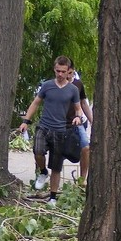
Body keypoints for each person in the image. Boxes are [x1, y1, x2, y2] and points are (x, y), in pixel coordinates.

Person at [18, 56, 84, 205]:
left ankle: (53, 197)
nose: (60, 74)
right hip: (44, 126)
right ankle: (42, 172)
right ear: (54, 70)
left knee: (56, 166)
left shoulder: (73, 90)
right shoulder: (47, 85)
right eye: (57, 71)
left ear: (68, 72)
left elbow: (78, 108)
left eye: (63, 72)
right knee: (38, 151)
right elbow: (35, 103)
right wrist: (25, 122)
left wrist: (78, 117)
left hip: (61, 131)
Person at [65, 64, 92, 182]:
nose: (68, 76)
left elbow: (84, 103)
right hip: (60, 122)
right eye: (67, 73)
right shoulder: (56, 85)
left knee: (85, 147)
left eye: (70, 73)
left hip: (77, 122)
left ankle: (82, 179)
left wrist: (92, 120)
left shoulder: (78, 84)